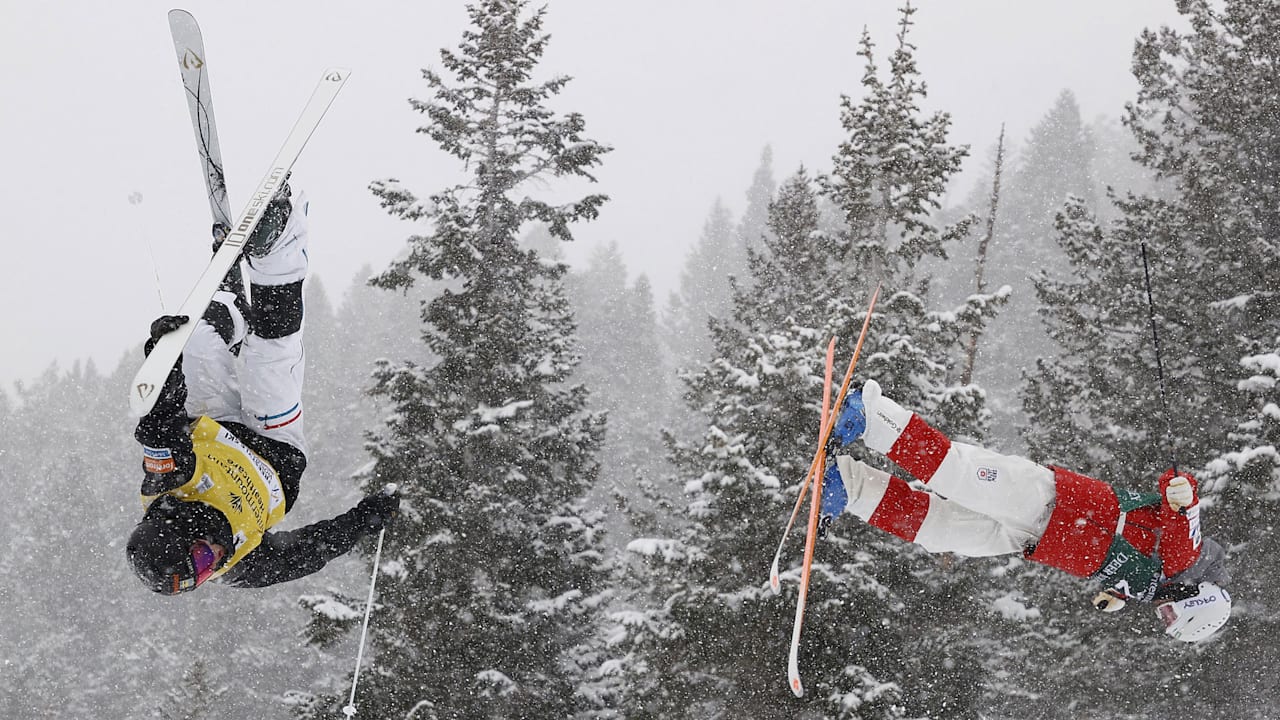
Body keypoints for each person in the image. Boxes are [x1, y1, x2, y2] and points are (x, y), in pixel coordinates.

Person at [126, 182, 399, 594]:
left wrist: (163, 359)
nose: (212, 563)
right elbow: (309, 551)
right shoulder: (240, 563)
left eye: (200, 559)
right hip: (276, 452)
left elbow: (159, 425)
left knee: (196, 335)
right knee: (269, 360)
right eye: (203, 575)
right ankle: (281, 247)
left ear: (180, 530)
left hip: (213, 427)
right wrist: (365, 518)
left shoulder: (170, 483)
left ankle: (229, 310)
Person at [818, 379, 1232, 643]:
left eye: (1165, 618)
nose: (1163, 612)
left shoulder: (1159, 586)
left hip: (1034, 540)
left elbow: (1137, 565)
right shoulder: (1186, 560)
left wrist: (1117, 595)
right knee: (955, 473)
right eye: (1172, 612)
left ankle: (846, 486)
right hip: (1054, 503)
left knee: (939, 530)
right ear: (1196, 597)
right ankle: (870, 416)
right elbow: (1182, 516)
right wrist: (1184, 494)